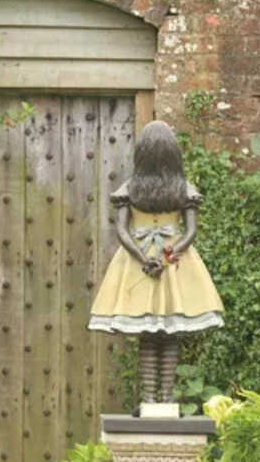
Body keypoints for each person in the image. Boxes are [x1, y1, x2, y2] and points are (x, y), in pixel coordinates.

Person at [88, 120, 224, 406]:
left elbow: (123, 232)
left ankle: (152, 399)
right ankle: (163, 397)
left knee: (149, 335)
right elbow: (190, 232)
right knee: (169, 335)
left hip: (140, 263)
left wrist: (143, 257)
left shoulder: (130, 187)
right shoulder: (182, 188)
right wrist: (167, 254)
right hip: (175, 263)